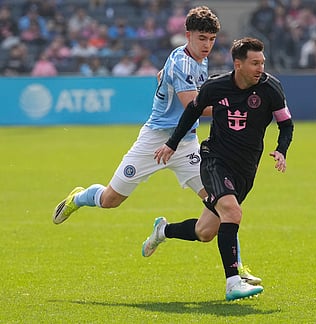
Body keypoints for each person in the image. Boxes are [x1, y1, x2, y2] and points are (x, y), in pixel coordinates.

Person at [52, 6, 260, 285]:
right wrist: (237, 106)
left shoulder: (195, 59)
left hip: (185, 144)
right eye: (202, 39)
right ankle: (79, 197)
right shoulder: (183, 62)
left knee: (224, 204)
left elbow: (168, 79)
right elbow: (192, 106)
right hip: (155, 140)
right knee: (110, 200)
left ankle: (237, 268)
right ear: (188, 35)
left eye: (211, 39)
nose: (207, 45)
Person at [147, 37, 294, 301]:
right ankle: (233, 282)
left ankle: (163, 231)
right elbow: (191, 113)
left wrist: (281, 150)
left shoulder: (271, 88)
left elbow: (286, 124)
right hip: (215, 160)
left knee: (205, 232)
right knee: (232, 211)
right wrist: (171, 144)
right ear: (238, 64)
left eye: (262, 62)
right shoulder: (216, 86)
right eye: (254, 63)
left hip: (246, 168)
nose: (260, 68)